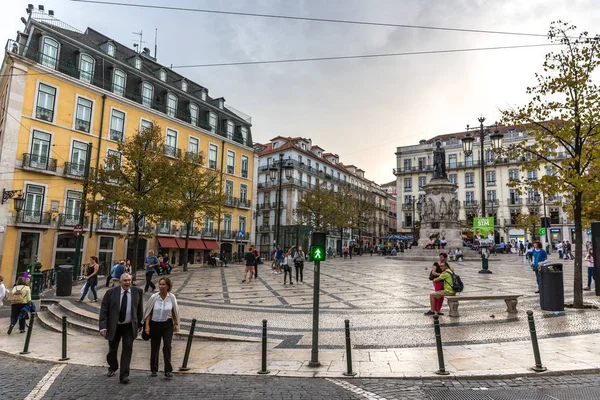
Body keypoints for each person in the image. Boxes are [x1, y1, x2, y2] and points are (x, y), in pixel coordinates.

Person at [99, 273, 144, 384]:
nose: (127, 282)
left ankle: (124, 375)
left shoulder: (137, 292)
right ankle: (113, 366)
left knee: (127, 349)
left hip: (129, 326)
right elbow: (104, 310)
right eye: (125, 280)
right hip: (114, 326)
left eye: (129, 280)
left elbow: (139, 308)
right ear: (120, 281)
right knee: (112, 350)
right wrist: (102, 326)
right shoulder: (111, 293)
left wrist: (139, 323)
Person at [144, 277, 180, 379]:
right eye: (160, 284)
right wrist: (147, 326)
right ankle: (153, 369)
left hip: (167, 325)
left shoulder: (171, 297)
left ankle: (168, 370)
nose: (161, 286)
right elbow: (148, 312)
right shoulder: (154, 297)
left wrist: (175, 323)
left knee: (167, 346)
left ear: (168, 286)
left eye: (163, 284)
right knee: (155, 347)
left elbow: (174, 310)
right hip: (155, 324)